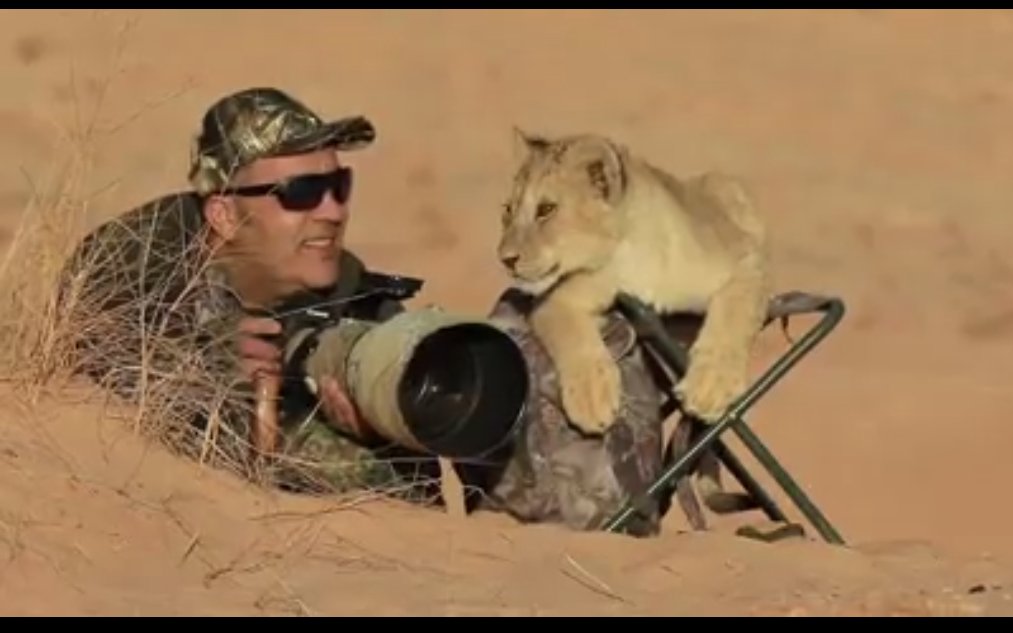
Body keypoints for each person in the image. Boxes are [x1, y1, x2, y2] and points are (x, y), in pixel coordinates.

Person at [58, 87, 669, 535]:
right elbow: (87, 434)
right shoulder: (132, 267)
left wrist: (385, 416)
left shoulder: (351, 290)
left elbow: (416, 504)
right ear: (222, 214)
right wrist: (228, 389)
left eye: (338, 186)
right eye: (300, 193)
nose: (330, 210)